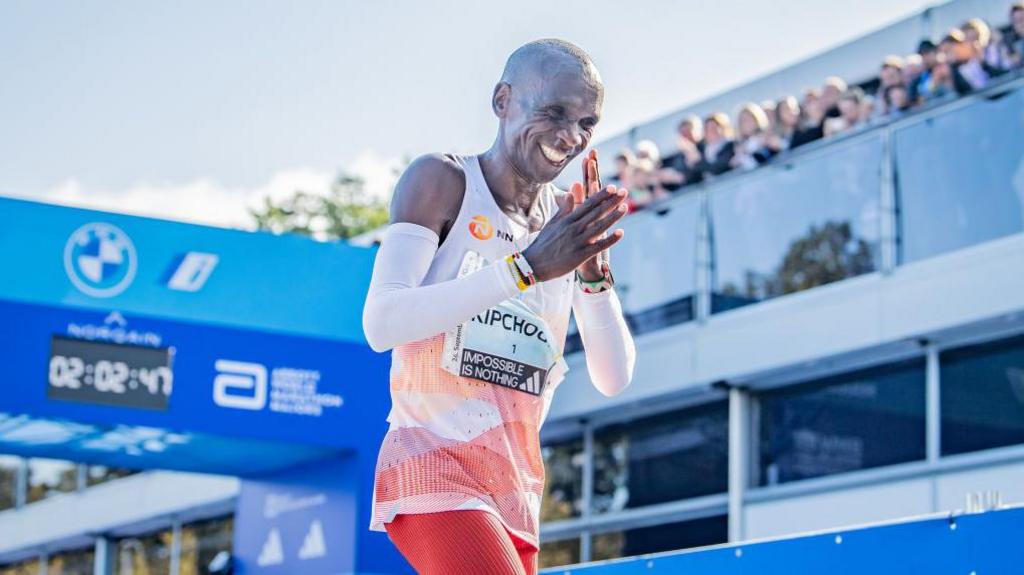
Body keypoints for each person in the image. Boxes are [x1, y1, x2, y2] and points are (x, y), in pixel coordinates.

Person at [363, 39, 636, 575]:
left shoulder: (567, 218)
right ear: (502, 100)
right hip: (432, 469)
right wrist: (526, 267)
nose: (570, 136)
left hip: (514, 490)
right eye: (554, 112)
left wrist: (591, 275)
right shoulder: (442, 180)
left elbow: (614, 378)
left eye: (587, 122)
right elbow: (382, 323)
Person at [659, 116, 704, 191]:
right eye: (683, 133)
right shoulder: (680, 158)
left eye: (688, 131)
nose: (686, 136)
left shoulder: (705, 146)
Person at [730, 103, 773, 171]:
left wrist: (744, 154)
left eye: (749, 119)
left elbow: (764, 159)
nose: (747, 123)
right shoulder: (740, 145)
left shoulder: (768, 137)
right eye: (743, 121)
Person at [698, 112, 736, 177]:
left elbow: (719, 168)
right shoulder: (702, 149)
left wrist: (698, 162)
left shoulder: (730, 144)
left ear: (722, 128)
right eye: (708, 129)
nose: (711, 132)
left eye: (714, 128)